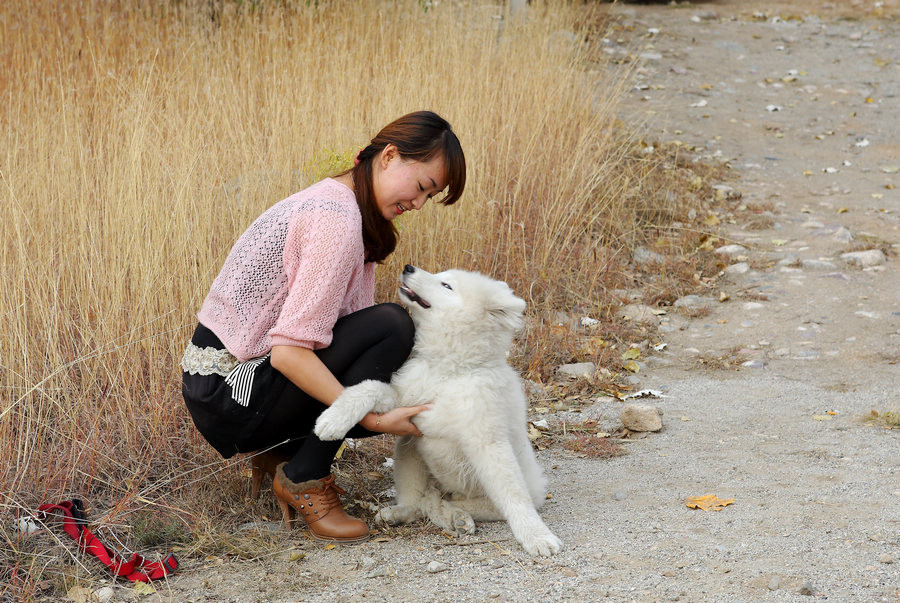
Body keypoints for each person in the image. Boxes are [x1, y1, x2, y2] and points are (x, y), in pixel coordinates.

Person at [180, 111, 466, 543]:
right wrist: (369, 416)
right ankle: (304, 475)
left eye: (431, 196)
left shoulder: (344, 203)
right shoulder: (337, 220)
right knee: (392, 327)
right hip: (228, 392)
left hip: (227, 381)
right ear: (389, 156)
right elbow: (289, 352)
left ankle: (284, 450)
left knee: (381, 339)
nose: (420, 204)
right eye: (423, 187)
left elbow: (338, 333)